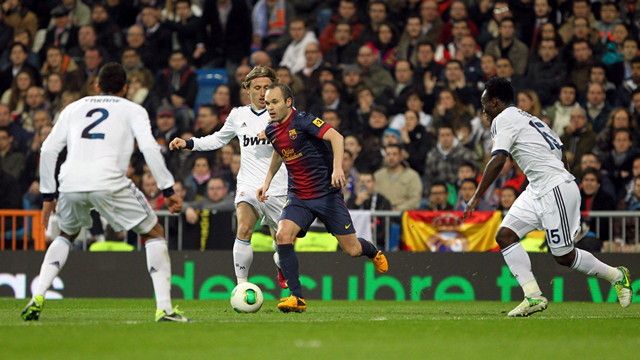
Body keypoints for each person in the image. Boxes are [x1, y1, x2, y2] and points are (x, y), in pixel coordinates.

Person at [22, 63, 188, 322]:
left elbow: (47, 150)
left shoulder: (73, 108)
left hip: (70, 182)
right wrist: (167, 189)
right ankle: (165, 309)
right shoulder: (133, 109)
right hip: (110, 180)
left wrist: (47, 196)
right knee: (154, 233)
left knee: (66, 233)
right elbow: (149, 148)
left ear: (96, 85)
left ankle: (38, 295)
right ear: (126, 88)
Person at [465, 77, 631, 317]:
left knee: (563, 256)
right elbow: (560, 152)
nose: (483, 110)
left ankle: (617, 275)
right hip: (538, 188)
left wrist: (477, 196)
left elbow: (499, 158)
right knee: (505, 235)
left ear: (497, 102)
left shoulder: (503, 119)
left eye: (485, 104)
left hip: (555, 188)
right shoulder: (530, 119)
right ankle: (533, 296)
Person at [258, 83, 388, 313]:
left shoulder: (304, 121)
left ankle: (372, 252)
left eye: (275, 102)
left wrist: (338, 169)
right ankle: (296, 297)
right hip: (298, 195)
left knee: (353, 249)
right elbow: (280, 154)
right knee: (283, 235)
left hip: (326, 195)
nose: (270, 107)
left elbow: (337, 137)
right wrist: (266, 182)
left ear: (288, 102)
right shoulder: (271, 130)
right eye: (267, 103)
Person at [169, 66, 288, 287]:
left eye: (267, 88)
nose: (262, 93)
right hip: (248, 184)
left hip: (278, 185)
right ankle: (242, 284)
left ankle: (282, 265)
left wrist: (275, 133)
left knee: (281, 240)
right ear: (247, 90)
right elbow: (217, 139)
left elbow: (297, 140)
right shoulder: (238, 115)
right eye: (257, 88)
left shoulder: (285, 112)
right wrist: (189, 143)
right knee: (243, 228)